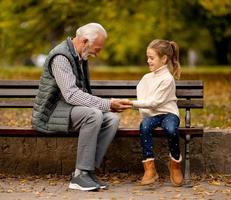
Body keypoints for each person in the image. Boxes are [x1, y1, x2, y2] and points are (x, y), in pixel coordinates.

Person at [31, 23, 131, 191]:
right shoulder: (61, 56)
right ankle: (80, 176)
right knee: (93, 115)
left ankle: (87, 172)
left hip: (69, 110)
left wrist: (109, 106)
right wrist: (107, 104)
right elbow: (71, 94)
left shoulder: (79, 55)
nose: (97, 54)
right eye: (97, 49)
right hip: (52, 113)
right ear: (84, 41)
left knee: (112, 119)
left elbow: (80, 94)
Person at [131, 39, 183, 187]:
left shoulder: (167, 79)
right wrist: (144, 116)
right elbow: (144, 100)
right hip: (152, 115)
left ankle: (175, 164)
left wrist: (130, 103)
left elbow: (155, 102)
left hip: (168, 113)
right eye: (147, 57)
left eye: (151, 58)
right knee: (145, 127)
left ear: (164, 59)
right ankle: (150, 169)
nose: (148, 61)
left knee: (171, 129)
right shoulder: (146, 78)